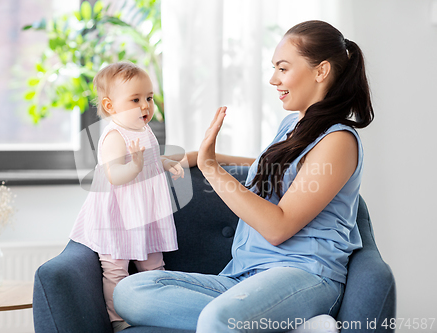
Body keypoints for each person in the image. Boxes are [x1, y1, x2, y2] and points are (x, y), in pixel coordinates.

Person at [113, 20, 374, 332]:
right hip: (242, 276)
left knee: (217, 319)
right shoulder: (293, 125)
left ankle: (254, 321)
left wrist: (212, 168)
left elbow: (278, 227)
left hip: (304, 275)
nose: (273, 79)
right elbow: (264, 166)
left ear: (321, 71)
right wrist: (197, 156)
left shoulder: (338, 141)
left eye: (283, 68)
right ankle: (281, 326)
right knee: (130, 293)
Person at [69, 62, 184, 332]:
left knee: (154, 266)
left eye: (149, 98)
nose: (145, 106)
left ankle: (156, 310)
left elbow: (151, 159)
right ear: (111, 107)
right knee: (116, 270)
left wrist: (166, 163)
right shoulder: (114, 136)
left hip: (145, 213)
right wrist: (134, 165)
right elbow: (114, 176)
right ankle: (118, 318)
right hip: (118, 215)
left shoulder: (143, 130)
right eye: (135, 99)